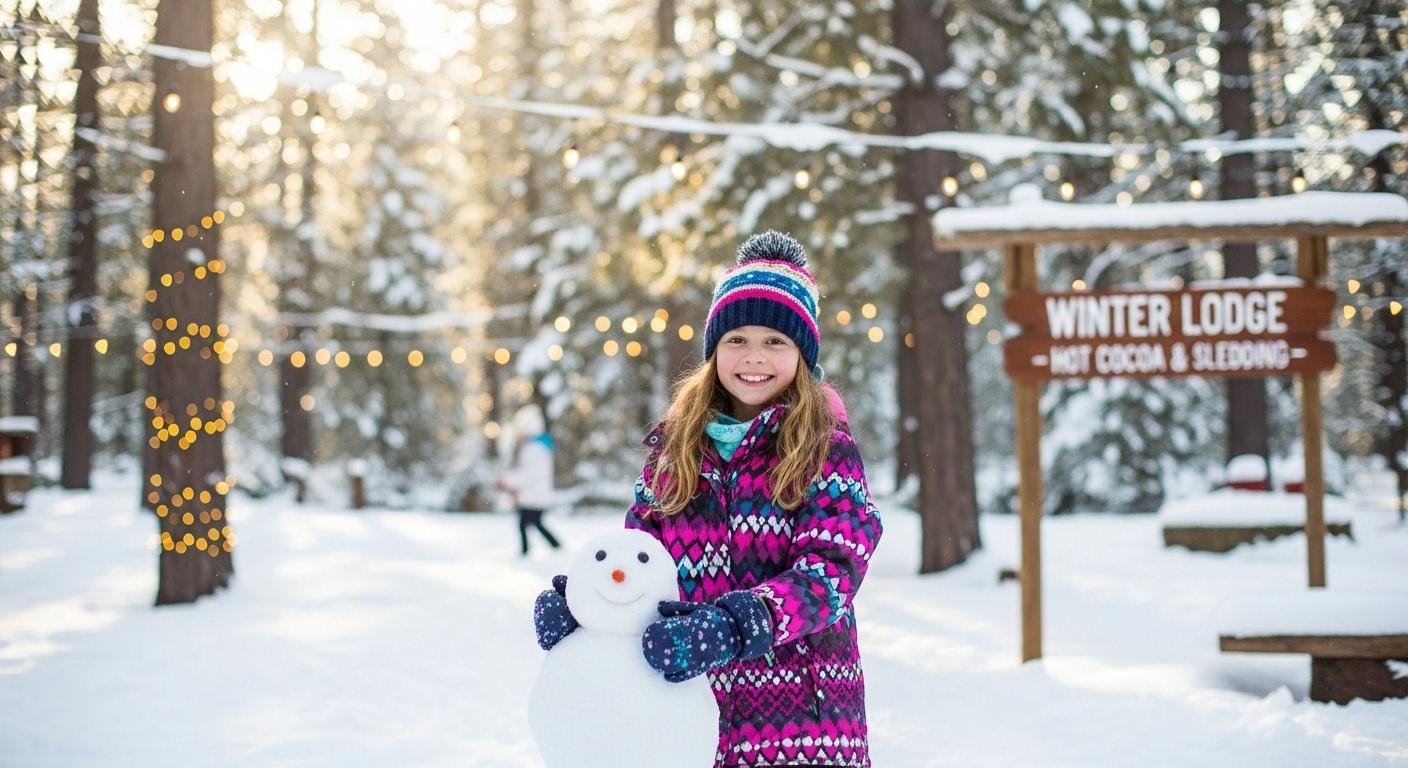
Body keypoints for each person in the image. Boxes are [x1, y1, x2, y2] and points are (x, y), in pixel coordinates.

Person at [532, 231, 883, 767]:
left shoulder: (826, 450)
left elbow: (831, 571)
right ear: (714, 349)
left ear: (803, 354)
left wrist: (734, 625)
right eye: (736, 339)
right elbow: (638, 565)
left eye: (775, 341)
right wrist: (587, 608)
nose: (754, 357)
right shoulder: (673, 455)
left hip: (802, 728)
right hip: (689, 720)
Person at [498, 404, 562, 556]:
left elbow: (527, 475)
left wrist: (507, 480)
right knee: (533, 523)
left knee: (529, 524)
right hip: (535, 495)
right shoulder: (538, 447)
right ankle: (550, 548)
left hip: (532, 496)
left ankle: (530, 551)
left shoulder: (533, 449)